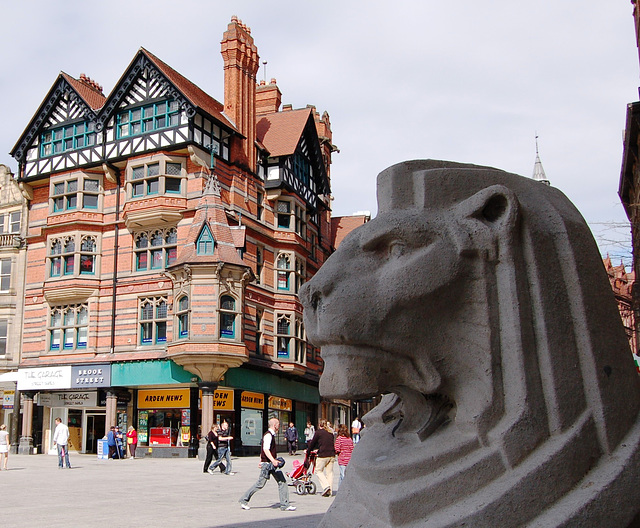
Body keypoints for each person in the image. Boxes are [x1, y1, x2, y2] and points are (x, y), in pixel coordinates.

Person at [239, 418, 296, 511]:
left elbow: (263, 451)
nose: (279, 426)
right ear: (274, 425)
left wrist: (262, 460)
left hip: (270, 463)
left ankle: (285, 505)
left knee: (282, 482)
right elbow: (265, 449)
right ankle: (244, 500)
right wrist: (272, 460)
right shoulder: (268, 435)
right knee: (260, 484)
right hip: (268, 464)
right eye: (278, 424)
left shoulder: (271, 435)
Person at [306, 419, 336, 497]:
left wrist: (308, 451)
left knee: (318, 470)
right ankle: (330, 491)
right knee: (329, 473)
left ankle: (326, 486)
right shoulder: (330, 433)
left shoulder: (318, 432)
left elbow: (312, 443)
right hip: (332, 455)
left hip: (323, 454)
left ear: (319, 425)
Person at [334, 424, 354, 488]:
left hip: (342, 459)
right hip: (349, 458)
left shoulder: (339, 439)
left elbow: (337, 449)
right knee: (342, 474)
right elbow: (352, 448)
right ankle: (340, 488)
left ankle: (344, 489)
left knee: (343, 475)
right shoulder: (349, 439)